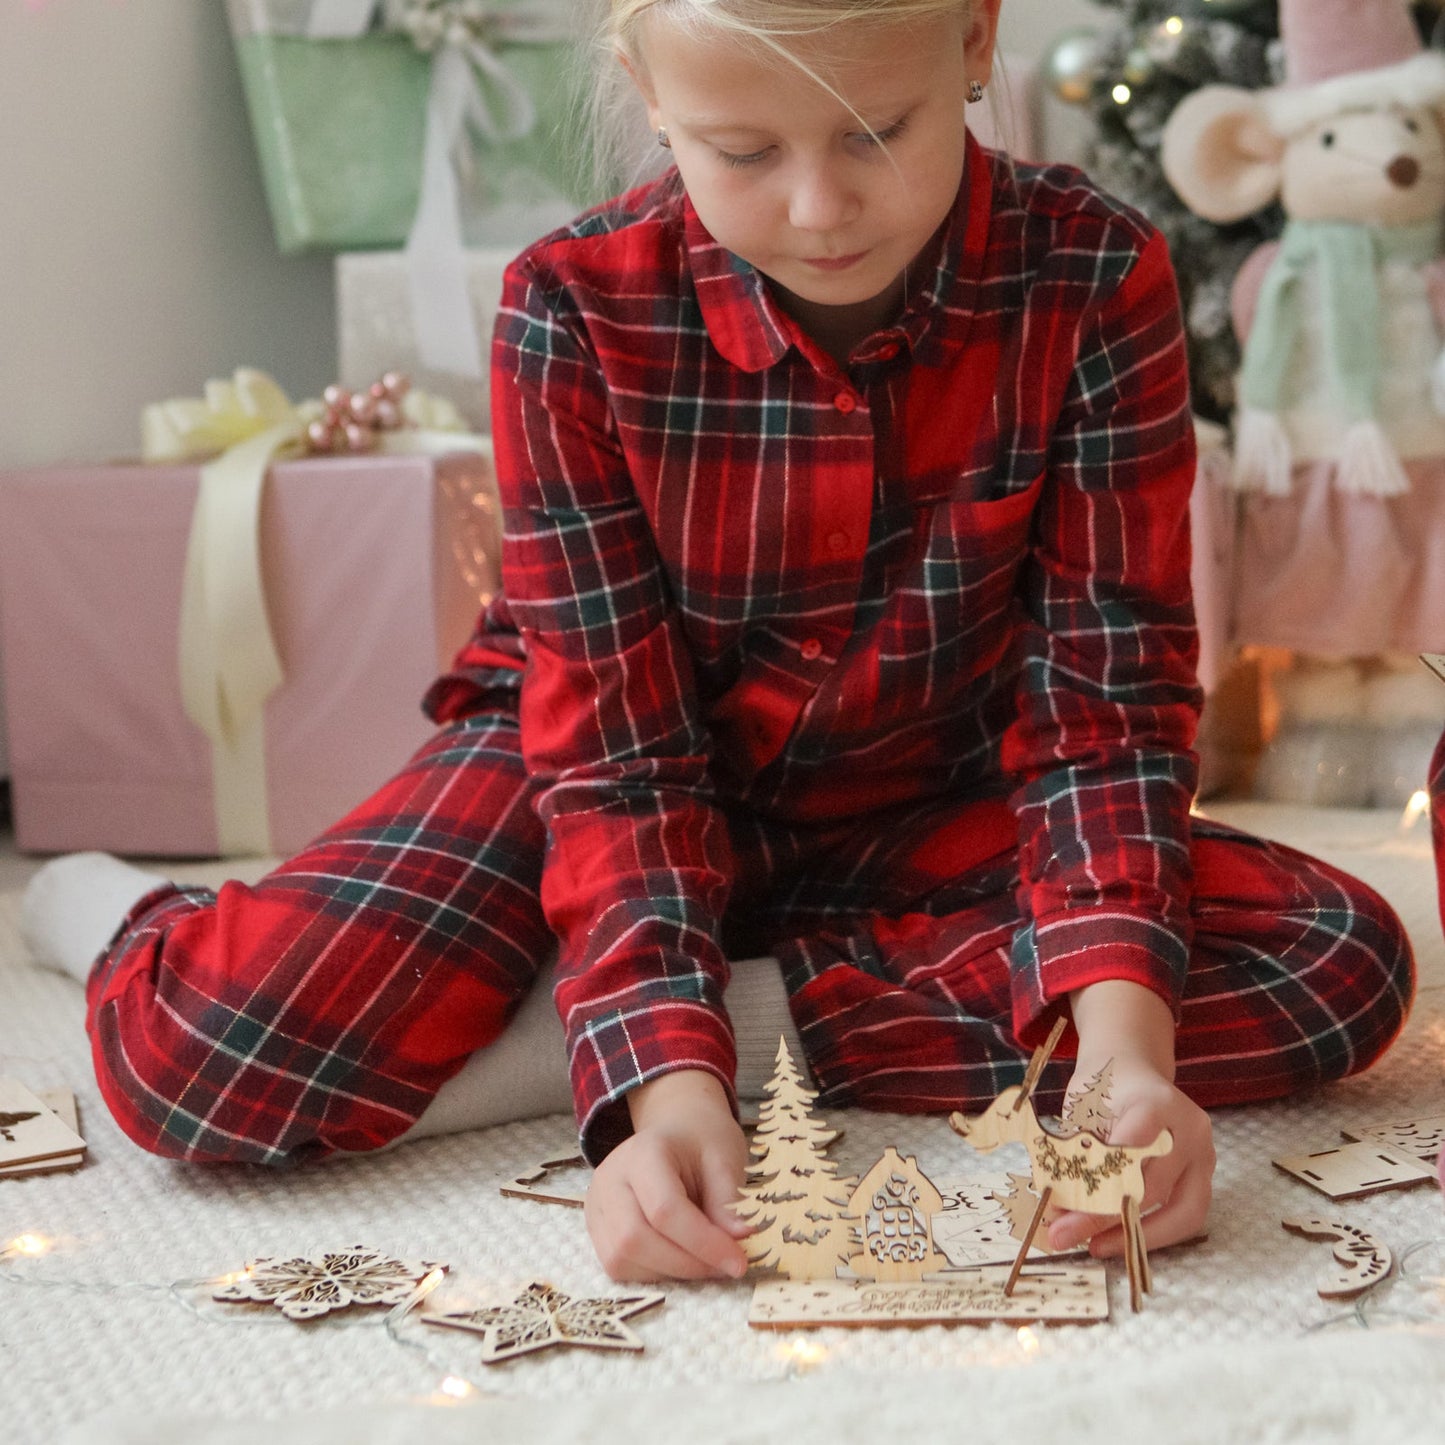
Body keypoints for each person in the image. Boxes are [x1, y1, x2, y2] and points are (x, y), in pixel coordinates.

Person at [23, 0, 1414, 1285]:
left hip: (931, 795)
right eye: (744, 149)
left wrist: (1121, 1061)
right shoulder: (571, 309)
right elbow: (613, 754)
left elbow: (1101, 710)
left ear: (974, 40)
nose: (820, 206)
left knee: (1333, 957)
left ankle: (621, 1022)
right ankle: (142, 917)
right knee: (196, 1057)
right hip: (590, 767)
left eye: (878, 132)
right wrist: (667, 1089)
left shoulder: (1096, 274)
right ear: (649, 94)